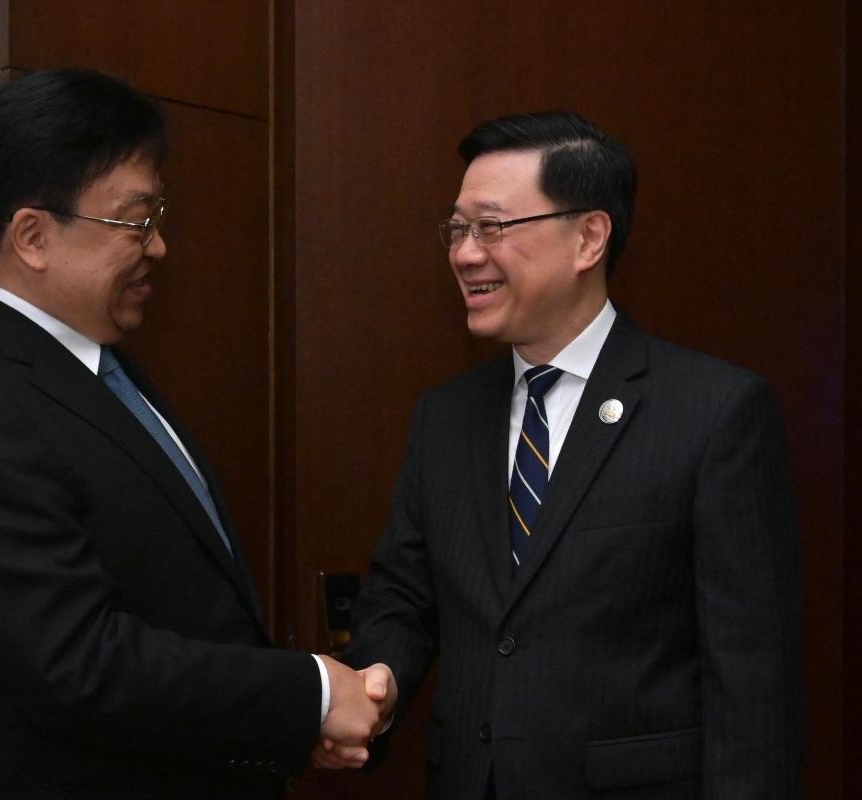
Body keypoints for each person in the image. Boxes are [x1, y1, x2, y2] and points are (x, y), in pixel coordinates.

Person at [0, 69, 392, 800]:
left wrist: (283, 721)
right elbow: (78, 665)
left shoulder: (103, 366)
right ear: (33, 236)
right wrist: (309, 693)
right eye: (135, 221)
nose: (158, 247)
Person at [325, 111, 804, 797]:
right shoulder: (445, 417)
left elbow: (753, 685)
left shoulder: (713, 413)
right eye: (457, 229)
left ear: (588, 238)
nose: (464, 254)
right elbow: (404, 595)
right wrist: (374, 686)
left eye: (491, 227)